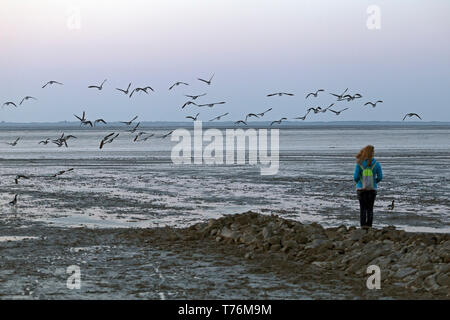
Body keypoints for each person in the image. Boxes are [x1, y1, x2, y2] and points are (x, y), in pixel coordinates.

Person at [353, 145, 382, 227]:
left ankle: (363, 227)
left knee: (362, 209)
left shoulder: (359, 163)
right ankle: (369, 227)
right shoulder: (376, 164)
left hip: (361, 189)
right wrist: (374, 182)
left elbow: (355, 177)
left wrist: (360, 182)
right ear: (372, 153)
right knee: (370, 209)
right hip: (372, 189)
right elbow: (380, 177)